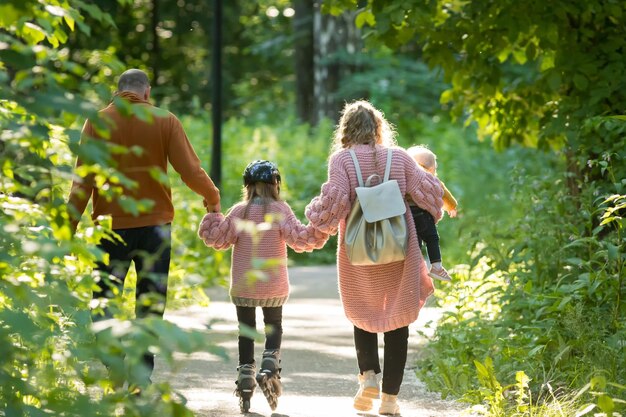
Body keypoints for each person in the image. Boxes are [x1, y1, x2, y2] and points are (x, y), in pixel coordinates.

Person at [67, 68, 220, 387]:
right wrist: (212, 198)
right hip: (155, 228)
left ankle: (114, 365)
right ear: (147, 92)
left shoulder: (97, 122)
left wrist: (66, 228)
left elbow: (83, 182)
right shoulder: (165, 120)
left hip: (110, 229)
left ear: (116, 92)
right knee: (150, 300)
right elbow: (190, 171)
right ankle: (140, 373)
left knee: (105, 298)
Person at [305, 100, 443, 416]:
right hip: (400, 251)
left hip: (358, 252)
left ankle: (369, 376)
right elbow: (428, 192)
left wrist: (313, 216)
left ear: (345, 130)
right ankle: (390, 400)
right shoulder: (400, 158)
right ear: (379, 129)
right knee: (399, 317)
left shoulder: (341, 161)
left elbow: (332, 206)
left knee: (361, 308)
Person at [197, 160, 328, 413]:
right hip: (273, 286)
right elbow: (300, 238)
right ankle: (269, 366)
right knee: (274, 325)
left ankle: (246, 380)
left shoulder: (239, 211)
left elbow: (217, 238)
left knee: (245, 330)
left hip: (245, 286)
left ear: (247, 186)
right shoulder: (281, 210)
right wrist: (321, 228)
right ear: (276, 185)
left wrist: (213, 213)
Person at [406, 145, 458, 281]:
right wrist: (452, 207)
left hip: (406, 216)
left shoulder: (404, 177)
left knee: (414, 244)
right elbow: (445, 195)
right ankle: (436, 267)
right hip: (424, 216)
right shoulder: (431, 179)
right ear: (432, 168)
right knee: (432, 239)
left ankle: (412, 268)